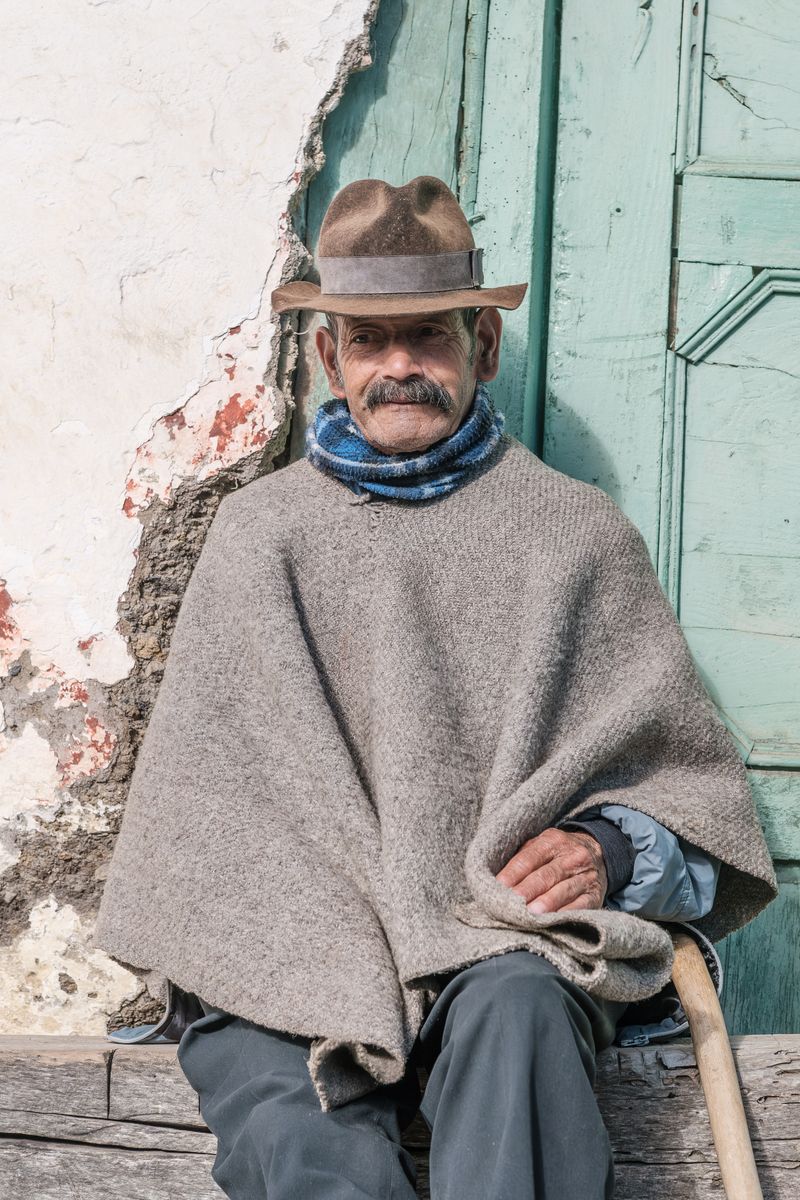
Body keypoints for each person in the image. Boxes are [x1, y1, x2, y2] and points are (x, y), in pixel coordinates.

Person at [94, 176, 777, 1199]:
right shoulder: (259, 535)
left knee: (521, 1014)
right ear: (328, 358)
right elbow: (203, 815)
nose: (399, 366)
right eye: (369, 341)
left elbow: (692, 808)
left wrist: (606, 850)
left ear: (483, 347)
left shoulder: (574, 534)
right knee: (309, 1150)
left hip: (498, 940)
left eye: (428, 337)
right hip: (283, 949)